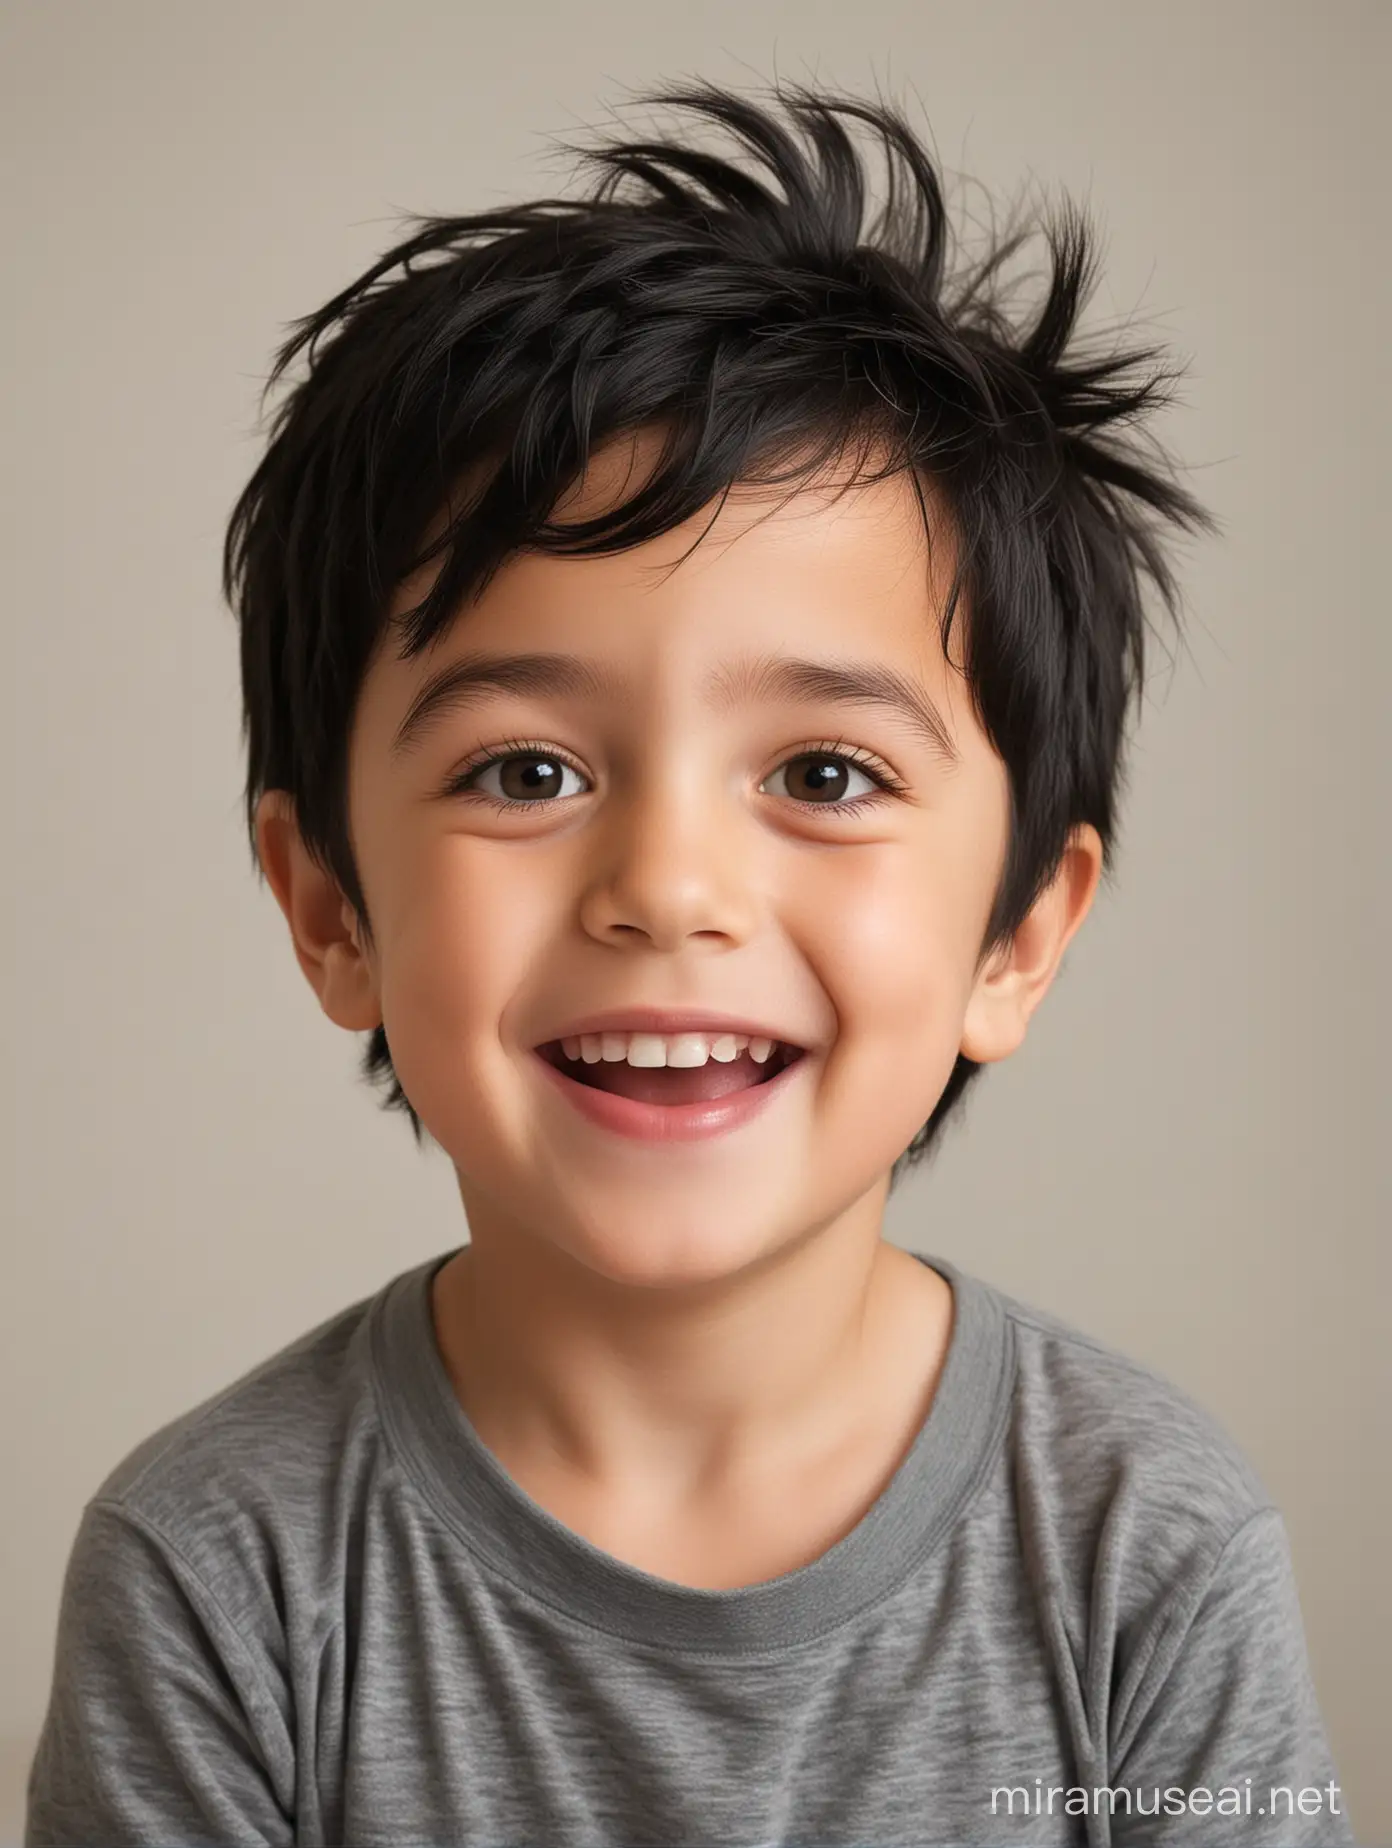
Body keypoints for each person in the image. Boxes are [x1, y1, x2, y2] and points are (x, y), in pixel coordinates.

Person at [26, 79, 1353, 1847]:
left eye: (823, 776)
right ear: (330, 907)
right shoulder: (219, 1575)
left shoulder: (1146, 1553)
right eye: (526, 772)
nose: (667, 888)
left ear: (1019, 937)